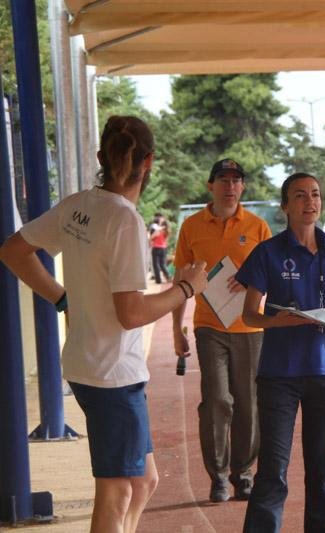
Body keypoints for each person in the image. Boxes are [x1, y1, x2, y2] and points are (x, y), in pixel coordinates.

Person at [0, 115, 208, 533]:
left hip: (89, 365)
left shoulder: (78, 205)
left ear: (101, 157)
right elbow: (131, 313)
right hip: (112, 375)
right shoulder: (125, 220)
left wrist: (61, 298)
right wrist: (186, 288)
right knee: (117, 494)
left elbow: (13, 250)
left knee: (144, 481)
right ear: (149, 161)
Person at [235, 172, 325, 532]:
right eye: (299, 195)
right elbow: (249, 315)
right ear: (285, 206)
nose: (309, 202)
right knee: (272, 473)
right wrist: (280, 321)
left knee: (323, 474)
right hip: (278, 375)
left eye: (315, 194)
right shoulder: (268, 252)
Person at [171, 158, 272, 503]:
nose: (230, 186)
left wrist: (251, 282)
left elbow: (272, 276)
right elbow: (180, 278)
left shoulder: (258, 227)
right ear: (210, 185)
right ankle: (218, 476)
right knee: (217, 400)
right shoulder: (191, 226)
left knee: (249, 403)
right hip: (209, 327)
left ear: (242, 186)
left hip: (250, 327)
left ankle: (243, 474)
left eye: (236, 180)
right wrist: (176, 328)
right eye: (223, 180)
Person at [149, 213, 171, 283]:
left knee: (156, 264)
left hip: (156, 248)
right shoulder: (167, 232)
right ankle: (168, 277)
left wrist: (151, 239)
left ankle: (158, 280)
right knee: (162, 264)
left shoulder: (158, 230)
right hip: (164, 249)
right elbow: (166, 242)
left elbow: (151, 237)